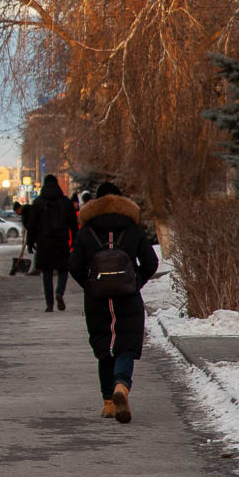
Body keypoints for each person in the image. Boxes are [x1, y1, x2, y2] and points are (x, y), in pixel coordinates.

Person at [68, 181, 158, 423]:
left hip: (97, 299)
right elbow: (151, 263)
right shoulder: (133, 229)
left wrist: (90, 286)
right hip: (127, 298)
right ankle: (121, 386)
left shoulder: (86, 231)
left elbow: (74, 265)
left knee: (104, 347)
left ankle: (108, 403)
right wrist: (134, 281)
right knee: (125, 344)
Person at [25, 175, 79, 312]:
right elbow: (73, 223)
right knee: (63, 269)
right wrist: (76, 242)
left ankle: (49, 304)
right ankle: (59, 291)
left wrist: (30, 243)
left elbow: (32, 225)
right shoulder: (65, 202)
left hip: (43, 243)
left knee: (46, 272)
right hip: (61, 241)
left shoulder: (38, 203)